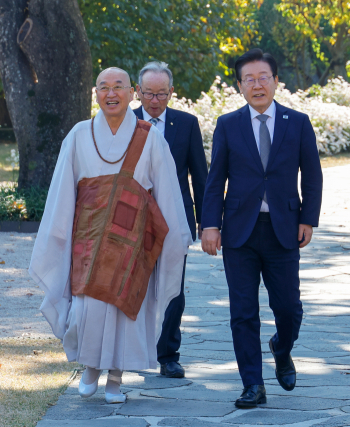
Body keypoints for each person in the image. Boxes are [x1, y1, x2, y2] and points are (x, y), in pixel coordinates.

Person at [29, 67, 192, 404]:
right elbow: (62, 191)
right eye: (104, 87)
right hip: (88, 240)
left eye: (119, 86)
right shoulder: (78, 133)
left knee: (125, 307)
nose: (111, 93)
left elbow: (166, 192)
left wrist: (173, 236)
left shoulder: (150, 137)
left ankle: (116, 378)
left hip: (132, 243)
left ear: (132, 93)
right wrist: (59, 233)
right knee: (88, 307)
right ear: (96, 93)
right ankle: (90, 367)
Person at [201, 49, 323, 408]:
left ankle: (281, 349)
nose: (257, 85)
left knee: (288, 308)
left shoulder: (297, 122)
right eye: (249, 79)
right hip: (239, 231)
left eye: (263, 77)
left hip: (284, 228)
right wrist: (210, 224)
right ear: (239, 86)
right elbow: (215, 179)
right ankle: (253, 384)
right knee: (242, 312)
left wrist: (308, 219)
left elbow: (312, 176)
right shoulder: (228, 124)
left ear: (275, 81)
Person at [133, 61, 208, 379]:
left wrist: (207, 223)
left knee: (173, 288)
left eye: (161, 94)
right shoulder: (123, 122)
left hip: (175, 221)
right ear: (137, 91)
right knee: (129, 288)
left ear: (171, 93)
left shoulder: (186, 124)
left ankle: (168, 354)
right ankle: (130, 352)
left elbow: (200, 176)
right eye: (148, 93)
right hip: (131, 221)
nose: (154, 100)